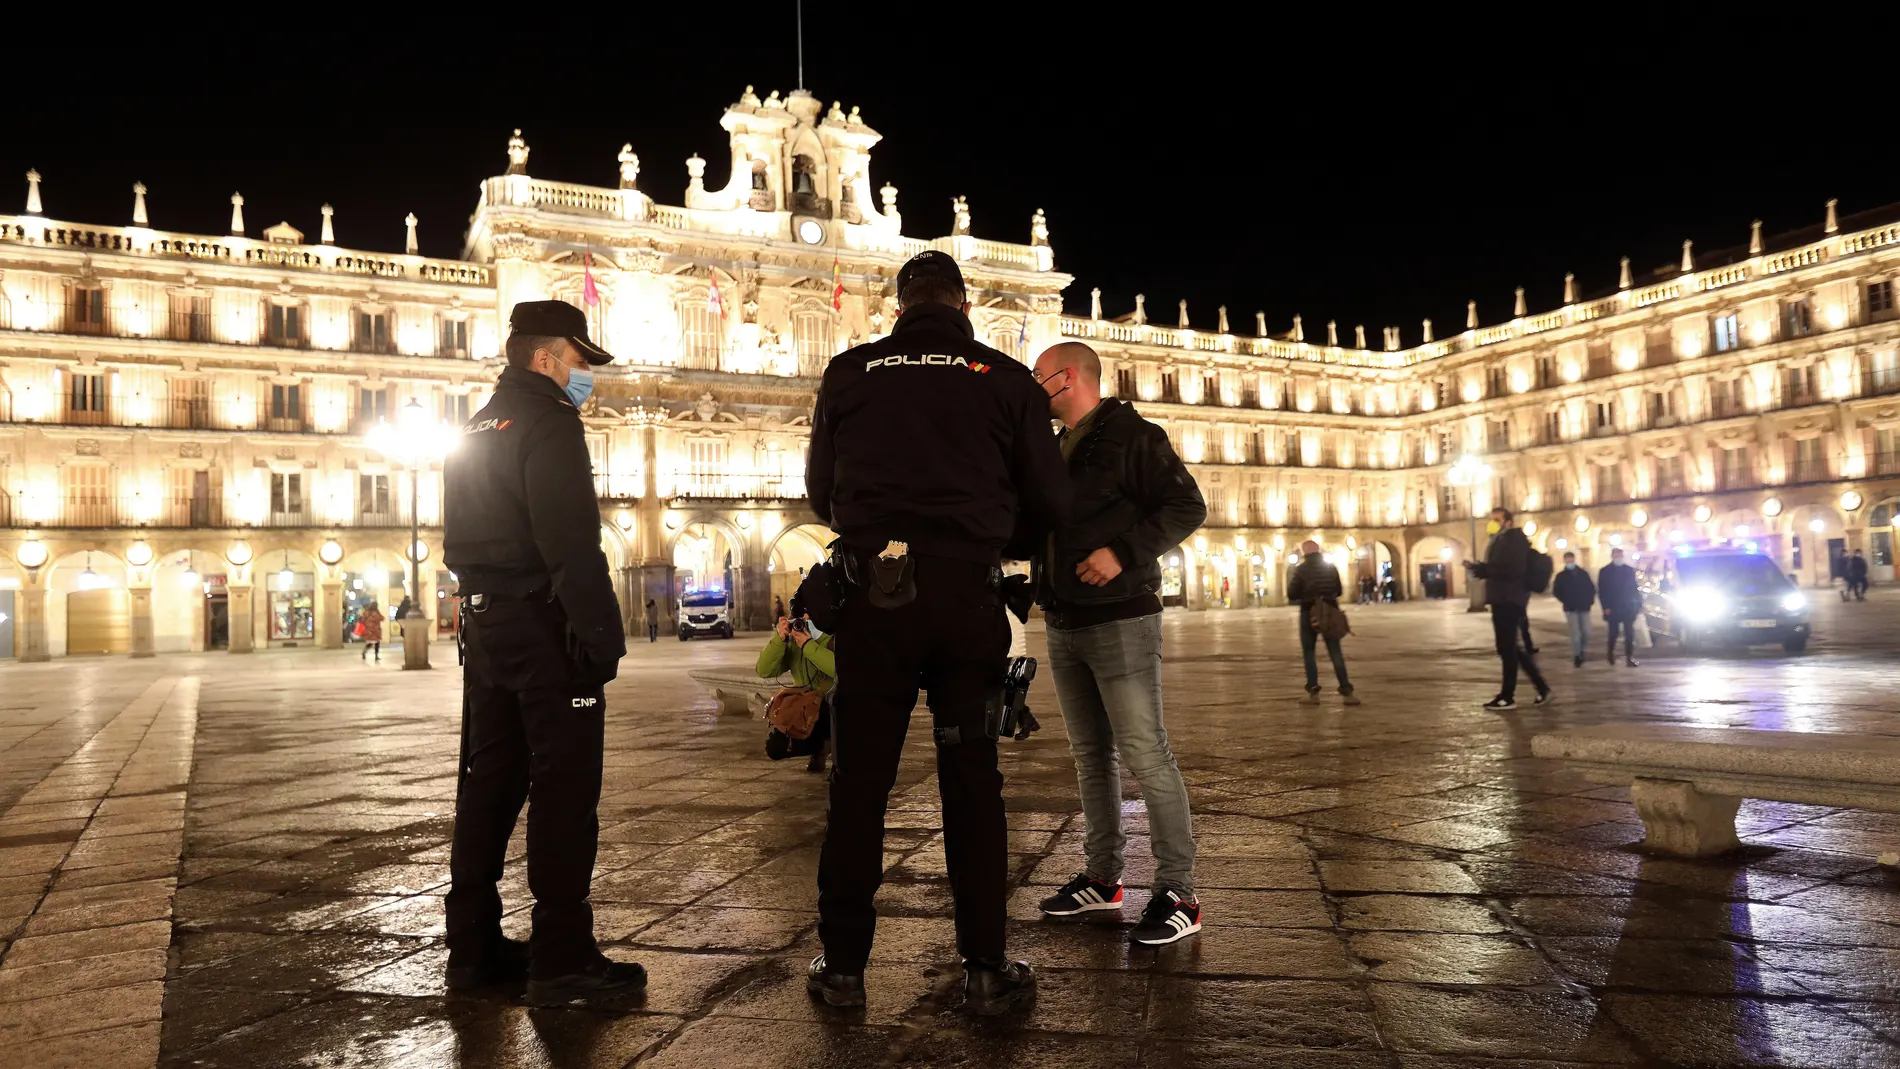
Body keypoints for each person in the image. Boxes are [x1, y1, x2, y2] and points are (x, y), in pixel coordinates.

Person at [803, 250, 1068, 1016]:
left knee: (858, 789)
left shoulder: (849, 372)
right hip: (965, 601)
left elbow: (822, 492)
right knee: (972, 783)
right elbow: (1049, 497)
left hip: (873, 601)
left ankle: (845, 968)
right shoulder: (1006, 378)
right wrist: (985, 530)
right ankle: (985, 968)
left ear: (898, 305)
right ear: (964, 304)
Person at [441, 299, 644, 1008]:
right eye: (580, 359)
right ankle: (561, 954)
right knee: (565, 784)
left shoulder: (476, 423)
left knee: (489, 780)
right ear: (545, 356)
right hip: (542, 626)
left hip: (484, 625)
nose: (586, 373)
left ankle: (472, 945)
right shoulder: (550, 421)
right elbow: (570, 540)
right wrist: (599, 638)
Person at [1029, 340, 1207, 947]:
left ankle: (1178, 891)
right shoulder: (1055, 447)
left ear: (1068, 377)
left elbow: (1188, 505)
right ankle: (1104, 879)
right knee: (1090, 756)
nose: (1034, 387)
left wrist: (1123, 553)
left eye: (1039, 377)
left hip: (1121, 619)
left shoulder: (1134, 436)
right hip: (1064, 620)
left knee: (1146, 753)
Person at [1465, 508, 1551, 710]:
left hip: (1509, 598)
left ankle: (1508, 696)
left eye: (1497, 519)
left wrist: (1483, 569)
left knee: (1507, 648)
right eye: (1491, 520)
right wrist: (1481, 568)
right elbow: (1501, 567)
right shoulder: (1501, 541)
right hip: (1503, 597)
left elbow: (1512, 569)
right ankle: (1541, 688)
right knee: (1510, 648)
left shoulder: (1513, 540)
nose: (1492, 523)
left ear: (1508, 522)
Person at [759, 609, 837, 773]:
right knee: (775, 748)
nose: (806, 619)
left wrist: (809, 646)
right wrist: (779, 640)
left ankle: (836, 751)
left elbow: (840, 669)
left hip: (832, 706)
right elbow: (764, 670)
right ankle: (822, 746)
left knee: (835, 712)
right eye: (803, 616)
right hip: (804, 709)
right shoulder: (794, 639)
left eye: (810, 614)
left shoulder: (835, 634)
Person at [1287, 541, 1358, 704]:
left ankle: (1313, 691)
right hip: (1330, 611)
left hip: (1309, 612)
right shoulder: (1330, 568)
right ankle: (1346, 690)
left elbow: (1292, 593)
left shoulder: (1301, 570)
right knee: (1335, 651)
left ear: (1304, 552)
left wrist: (1307, 594)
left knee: (1309, 651)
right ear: (1319, 551)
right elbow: (1339, 590)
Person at [1597, 546, 1642, 667]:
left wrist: (1638, 603)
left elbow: (1634, 588)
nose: (1619, 558)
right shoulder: (1605, 571)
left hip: (1627, 607)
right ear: (1612, 557)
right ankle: (1610, 653)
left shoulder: (1628, 570)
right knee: (1614, 632)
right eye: (1617, 556)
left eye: (1621, 556)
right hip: (1613, 607)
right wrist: (1605, 607)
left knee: (1629, 633)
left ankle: (1629, 657)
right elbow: (1602, 591)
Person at [1551, 551, 1596, 667]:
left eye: (1571, 559)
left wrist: (1589, 601)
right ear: (1564, 561)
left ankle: (1582, 649)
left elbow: (1591, 588)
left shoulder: (1583, 573)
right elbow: (1556, 591)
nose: (1569, 562)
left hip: (1584, 607)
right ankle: (1577, 654)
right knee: (1575, 633)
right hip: (1570, 608)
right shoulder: (1561, 576)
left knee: (1586, 631)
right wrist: (1565, 600)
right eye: (1567, 560)